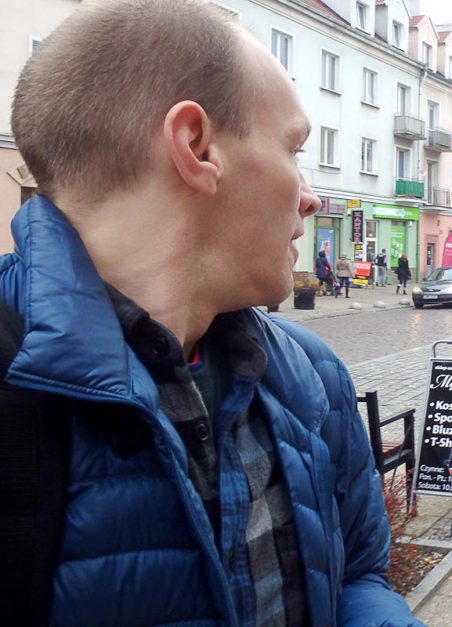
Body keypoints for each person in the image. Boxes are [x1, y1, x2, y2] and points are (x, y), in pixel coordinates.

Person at [0, 1, 420, 624]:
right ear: (195, 146)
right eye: (294, 148)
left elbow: (356, 575)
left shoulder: (310, 374)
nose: (312, 198)